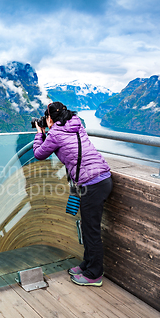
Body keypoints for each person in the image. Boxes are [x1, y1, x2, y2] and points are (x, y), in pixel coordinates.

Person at [33, 101, 112, 287]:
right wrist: (49, 127)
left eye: (47, 118)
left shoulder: (55, 133)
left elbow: (39, 154)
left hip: (92, 184)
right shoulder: (77, 125)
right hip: (102, 179)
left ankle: (94, 274)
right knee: (86, 227)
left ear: (50, 118)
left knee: (91, 231)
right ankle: (87, 264)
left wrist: (39, 134)